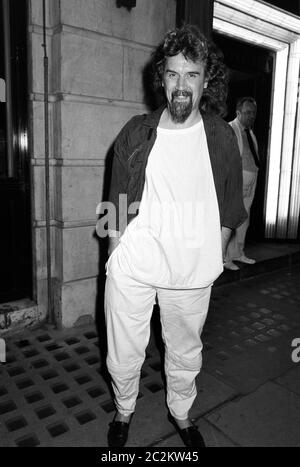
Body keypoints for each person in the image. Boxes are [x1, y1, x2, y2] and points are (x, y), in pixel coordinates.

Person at [98, 25, 247, 447]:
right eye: (173, 74)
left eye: (191, 74)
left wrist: (214, 254)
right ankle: (124, 409)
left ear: (206, 79)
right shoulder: (136, 131)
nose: (181, 85)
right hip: (134, 265)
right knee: (123, 350)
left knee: (184, 353)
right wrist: (113, 257)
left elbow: (232, 203)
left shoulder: (219, 135)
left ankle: (181, 414)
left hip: (191, 270)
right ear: (161, 78)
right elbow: (116, 200)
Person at [224, 97, 260, 271]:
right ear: (238, 112)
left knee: (244, 220)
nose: (251, 116)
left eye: (253, 113)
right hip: (236, 180)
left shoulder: (250, 132)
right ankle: (226, 258)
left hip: (251, 179)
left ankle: (239, 253)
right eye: (247, 112)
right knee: (232, 218)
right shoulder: (231, 128)